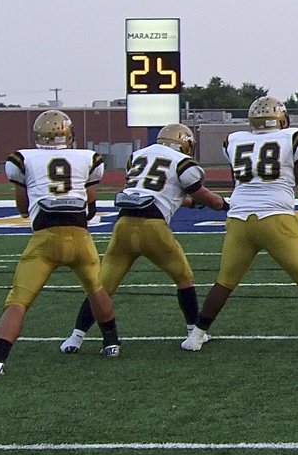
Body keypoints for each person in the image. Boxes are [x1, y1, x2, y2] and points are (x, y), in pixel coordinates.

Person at [181, 96, 298, 354]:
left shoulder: (235, 140)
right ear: (282, 119)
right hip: (276, 218)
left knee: (225, 281)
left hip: (239, 219)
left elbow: (239, 184)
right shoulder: (294, 138)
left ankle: (195, 336)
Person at [0, 110, 119, 375]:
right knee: (96, 289)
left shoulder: (22, 158)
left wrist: (30, 210)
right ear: (69, 135)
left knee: (19, 299)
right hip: (79, 235)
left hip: (45, 238)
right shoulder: (88, 158)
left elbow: (23, 205)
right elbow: (91, 205)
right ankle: (111, 343)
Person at [58, 123, 229, 353]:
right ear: (185, 144)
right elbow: (207, 198)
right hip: (152, 228)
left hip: (123, 225)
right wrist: (224, 204)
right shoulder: (183, 163)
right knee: (184, 278)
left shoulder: (138, 156)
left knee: (102, 287)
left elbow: (153, 191)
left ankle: (75, 338)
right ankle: (193, 331)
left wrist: (188, 203)